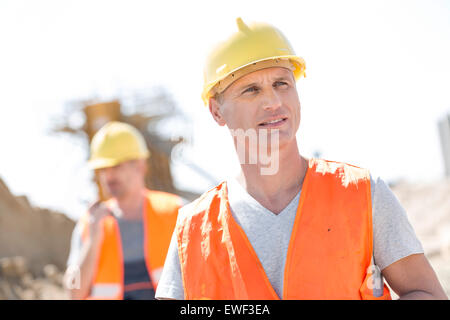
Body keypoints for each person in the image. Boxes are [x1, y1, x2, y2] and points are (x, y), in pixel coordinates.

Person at [155, 18, 448, 300]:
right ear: (216, 111)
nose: (273, 102)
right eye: (251, 90)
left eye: (282, 83)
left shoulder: (362, 194)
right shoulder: (192, 230)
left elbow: (426, 293)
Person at [64, 121, 181, 300]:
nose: (109, 175)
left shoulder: (176, 212)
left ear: (141, 166)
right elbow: (73, 292)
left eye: (117, 166)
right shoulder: (90, 224)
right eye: (103, 168)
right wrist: (93, 241)